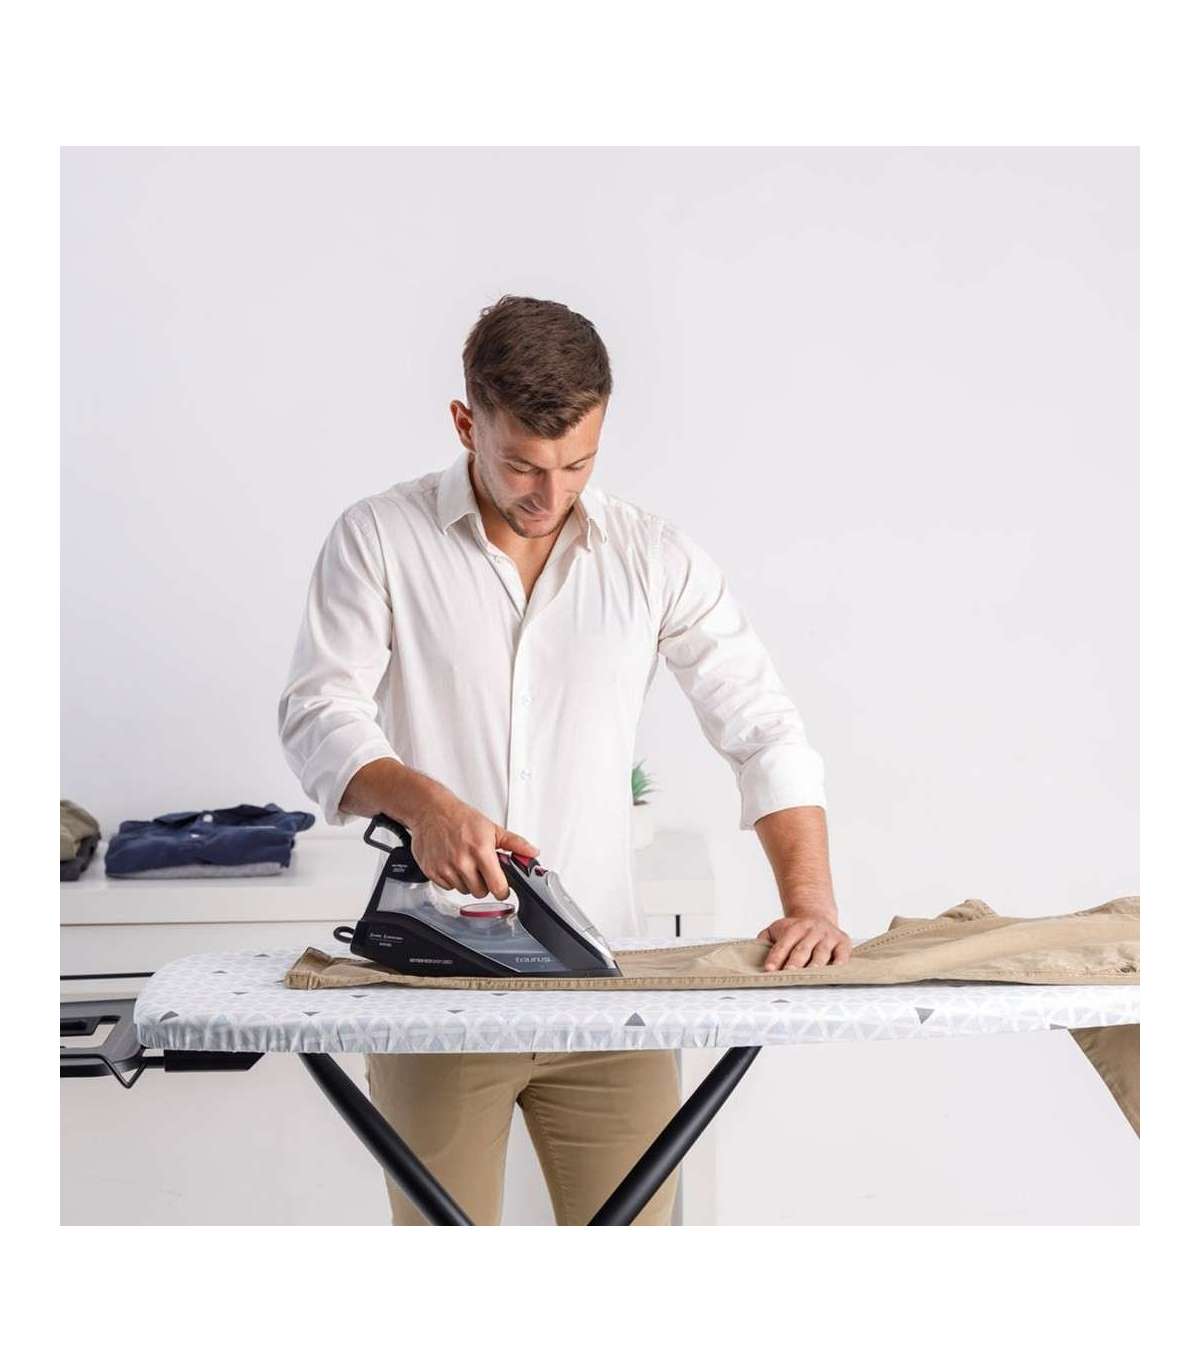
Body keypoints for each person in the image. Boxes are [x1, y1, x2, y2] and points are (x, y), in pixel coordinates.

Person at [278, 294, 849, 1225]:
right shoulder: (379, 539)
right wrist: (424, 805)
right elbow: (317, 712)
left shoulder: (653, 557)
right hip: (436, 992)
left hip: (607, 994)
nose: (550, 495)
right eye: (522, 465)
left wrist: (812, 902)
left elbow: (762, 726)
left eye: (577, 464)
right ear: (466, 423)